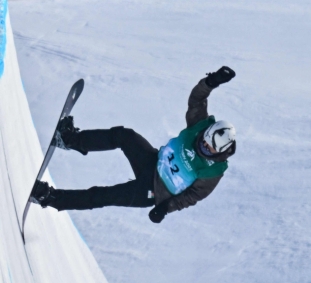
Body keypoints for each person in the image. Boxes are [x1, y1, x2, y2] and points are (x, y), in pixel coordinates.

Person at [30, 66, 237, 224]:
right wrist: (211, 81)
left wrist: (165, 208)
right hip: (153, 162)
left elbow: (191, 196)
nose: (203, 147)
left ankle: (50, 198)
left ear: (220, 151)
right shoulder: (199, 126)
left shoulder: (213, 172)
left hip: (154, 191)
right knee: (125, 136)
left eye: (209, 149)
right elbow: (196, 99)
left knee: (105, 195)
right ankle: (69, 139)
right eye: (203, 142)